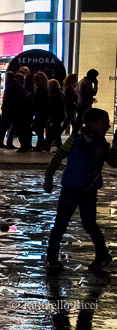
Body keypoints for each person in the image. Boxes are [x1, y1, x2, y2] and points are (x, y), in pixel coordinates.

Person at [43, 107, 116, 272]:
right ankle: (52, 257)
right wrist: (48, 177)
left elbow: (113, 162)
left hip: (87, 189)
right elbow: (58, 157)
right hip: (72, 187)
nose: (107, 126)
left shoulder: (102, 145)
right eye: (103, 123)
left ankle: (101, 255)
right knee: (63, 223)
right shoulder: (75, 140)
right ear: (91, 124)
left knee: (87, 223)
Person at [0, 71, 18, 152]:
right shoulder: (15, 86)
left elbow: (6, 101)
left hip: (8, 111)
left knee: (3, 128)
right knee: (6, 128)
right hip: (12, 111)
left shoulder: (9, 87)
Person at [43, 79, 66, 151]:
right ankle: (55, 146)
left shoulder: (53, 95)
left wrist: (50, 116)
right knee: (55, 131)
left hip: (55, 115)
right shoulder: (60, 93)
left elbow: (52, 106)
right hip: (59, 115)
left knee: (52, 131)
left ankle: (50, 146)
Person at [14, 72, 35, 152]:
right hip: (27, 112)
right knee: (26, 129)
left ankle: (24, 145)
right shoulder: (29, 89)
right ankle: (27, 145)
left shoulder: (26, 90)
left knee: (23, 129)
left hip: (25, 112)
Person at [75, 69, 99, 134]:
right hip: (84, 106)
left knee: (79, 122)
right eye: (95, 76)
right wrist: (96, 84)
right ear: (92, 76)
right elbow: (93, 93)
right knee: (83, 122)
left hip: (81, 105)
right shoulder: (87, 83)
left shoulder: (81, 81)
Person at [31, 72, 50, 152]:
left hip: (40, 112)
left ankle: (40, 144)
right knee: (40, 129)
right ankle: (41, 144)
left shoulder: (39, 89)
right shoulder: (44, 89)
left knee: (38, 128)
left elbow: (38, 101)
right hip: (43, 112)